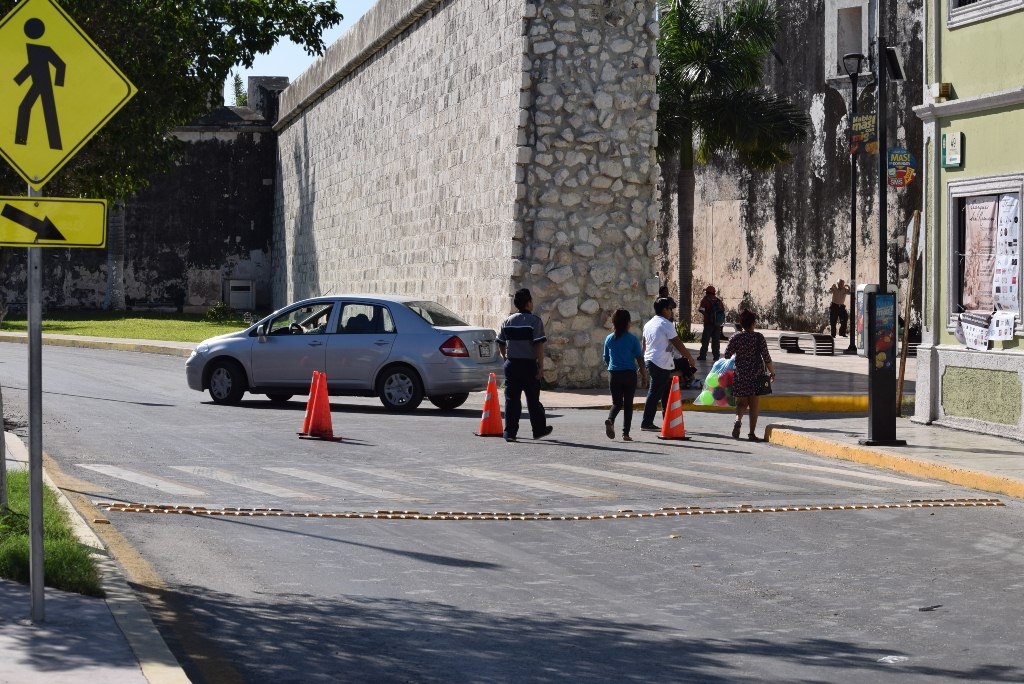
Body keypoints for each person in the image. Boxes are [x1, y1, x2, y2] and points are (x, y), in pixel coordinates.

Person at [496, 288, 552, 442]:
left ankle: (510, 433)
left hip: (512, 364)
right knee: (533, 400)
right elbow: (538, 345)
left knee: (511, 400)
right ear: (528, 303)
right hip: (528, 365)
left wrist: (505, 357)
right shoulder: (535, 321)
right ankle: (538, 430)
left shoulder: (507, 321)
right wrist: (541, 366)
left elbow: (500, 343)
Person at [640, 297, 696, 432]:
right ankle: (646, 422)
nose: (671, 311)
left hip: (653, 361)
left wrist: (642, 363)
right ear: (664, 310)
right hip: (659, 362)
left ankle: (667, 420)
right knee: (655, 392)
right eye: (670, 309)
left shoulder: (649, 324)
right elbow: (677, 342)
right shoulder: (666, 324)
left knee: (665, 392)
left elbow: (644, 345)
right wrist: (689, 357)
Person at [724, 309, 776, 442]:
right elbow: (766, 357)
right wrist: (772, 372)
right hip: (756, 376)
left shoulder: (735, 337)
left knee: (741, 403)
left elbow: (727, 355)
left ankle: (737, 420)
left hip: (740, 374)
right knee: (754, 405)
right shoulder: (758, 337)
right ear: (753, 323)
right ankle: (751, 433)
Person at [603, 309, 647, 441]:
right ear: (628, 323)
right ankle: (625, 433)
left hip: (614, 375)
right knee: (628, 405)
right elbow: (639, 358)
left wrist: (612, 366)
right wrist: (644, 375)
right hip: (629, 374)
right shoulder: (632, 339)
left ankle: (610, 420)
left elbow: (606, 357)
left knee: (616, 403)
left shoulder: (609, 339)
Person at [697, 285, 724, 361]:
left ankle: (703, 356)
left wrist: (707, 316)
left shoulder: (705, 300)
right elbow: (722, 310)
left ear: (707, 292)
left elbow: (701, 309)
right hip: (717, 324)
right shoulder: (718, 301)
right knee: (716, 341)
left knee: (705, 340)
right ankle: (716, 356)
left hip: (708, 323)